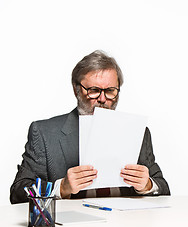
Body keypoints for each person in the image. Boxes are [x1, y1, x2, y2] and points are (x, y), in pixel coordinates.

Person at [10, 50, 170, 204]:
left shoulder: (138, 132)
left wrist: (147, 185)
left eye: (110, 91)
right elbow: (18, 192)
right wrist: (61, 187)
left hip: (125, 224)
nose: (102, 98)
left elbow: (163, 187)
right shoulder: (45, 133)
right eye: (94, 90)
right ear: (76, 90)